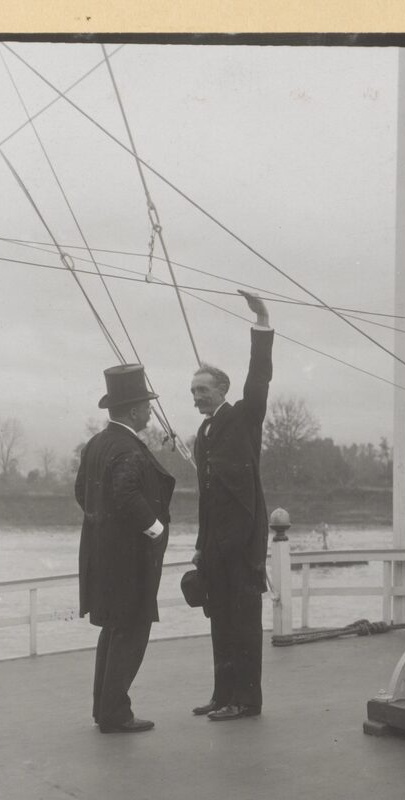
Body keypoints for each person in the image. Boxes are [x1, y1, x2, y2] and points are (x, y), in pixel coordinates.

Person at [188, 291, 274, 721]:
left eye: (203, 390)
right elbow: (207, 499)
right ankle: (223, 696)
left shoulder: (242, 417)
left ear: (222, 389)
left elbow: (259, 379)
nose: (197, 397)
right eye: (193, 392)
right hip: (216, 547)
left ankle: (247, 701)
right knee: (219, 621)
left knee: (243, 626)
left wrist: (262, 320)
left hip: (242, 546)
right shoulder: (203, 435)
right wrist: (201, 545)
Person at [76, 365, 174, 733]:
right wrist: (155, 528)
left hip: (101, 557)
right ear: (133, 411)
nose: (150, 411)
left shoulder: (97, 444)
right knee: (131, 631)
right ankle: (116, 713)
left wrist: (103, 527)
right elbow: (126, 493)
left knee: (113, 631)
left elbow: (81, 492)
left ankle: (105, 710)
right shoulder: (128, 447)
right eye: (147, 406)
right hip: (129, 561)